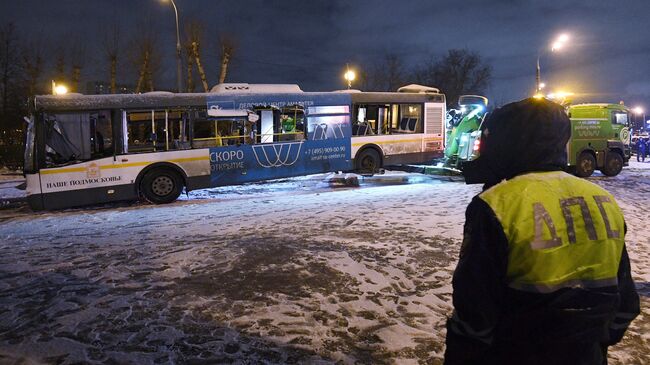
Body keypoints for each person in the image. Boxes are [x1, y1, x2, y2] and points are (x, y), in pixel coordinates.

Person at [445, 98, 639, 365]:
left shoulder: (497, 204)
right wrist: (592, 344)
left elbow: (474, 310)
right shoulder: (602, 200)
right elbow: (626, 302)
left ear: (508, 142)